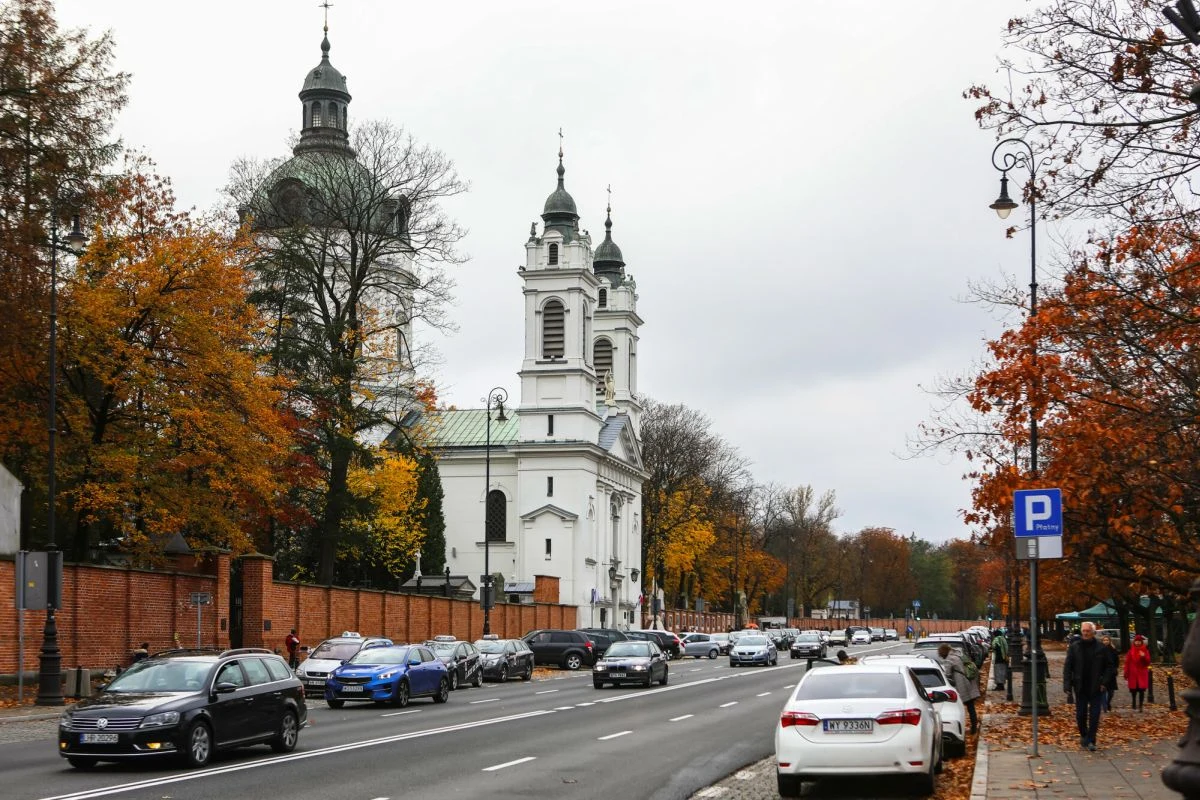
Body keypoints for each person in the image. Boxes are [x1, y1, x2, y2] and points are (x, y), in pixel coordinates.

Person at [1064, 621, 1115, 750]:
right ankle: (1084, 734)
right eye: (1084, 631)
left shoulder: (1101, 648)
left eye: (1088, 631)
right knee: (1080, 715)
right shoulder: (1075, 647)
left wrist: (1104, 682)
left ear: (1093, 632)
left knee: (1094, 715)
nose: (1086, 633)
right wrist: (1067, 685)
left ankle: (1091, 740)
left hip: (1096, 686)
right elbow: (1068, 667)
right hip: (1080, 685)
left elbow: (1110, 666)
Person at [937, 643, 980, 735]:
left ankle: (964, 729)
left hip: (961, 684)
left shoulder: (949, 659)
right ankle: (974, 727)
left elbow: (947, 674)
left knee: (959, 708)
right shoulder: (957, 654)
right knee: (970, 706)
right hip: (968, 681)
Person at [1124, 633, 1152, 711]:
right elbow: (1127, 662)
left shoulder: (1145, 650)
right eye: (1136, 641)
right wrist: (1126, 673)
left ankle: (1140, 705)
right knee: (1133, 690)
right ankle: (1133, 702)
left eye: (1139, 641)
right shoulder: (1130, 651)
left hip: (1141, 674)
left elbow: (1148, 662)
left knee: (1141, 690)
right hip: (1132, 674)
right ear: (1134, 642)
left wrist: (1143, 657)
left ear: (1141, 642)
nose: (1138, 642)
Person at [1100, 635, 1119, 711]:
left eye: (1107, 640)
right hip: (1102, 673)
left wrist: (1114, 669)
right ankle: (1104, 707)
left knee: (1111, 692)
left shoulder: (1113, 650)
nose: (1105, 641)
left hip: (1111, 673)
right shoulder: (1099, 650)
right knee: (1103, 691)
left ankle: (1108, 703)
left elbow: (1117, 662)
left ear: (1110, 641)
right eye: (1104, 640)